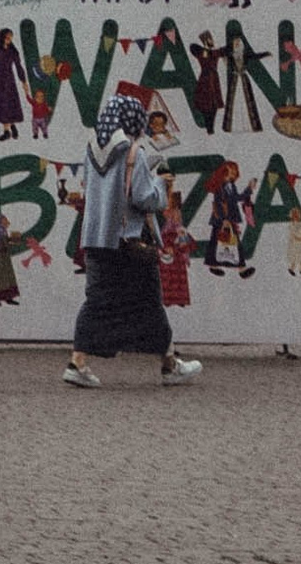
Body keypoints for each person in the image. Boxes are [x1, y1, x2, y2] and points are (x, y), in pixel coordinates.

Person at [66, 90, 202, 387]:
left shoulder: (91, 149)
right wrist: (162, 185)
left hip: (96, 239)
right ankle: (169, 366)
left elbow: (90, 188)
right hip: (129, 240)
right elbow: (143, 198)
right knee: (149, 300)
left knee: (97, 301)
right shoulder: (134, 152)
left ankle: (77, 363)